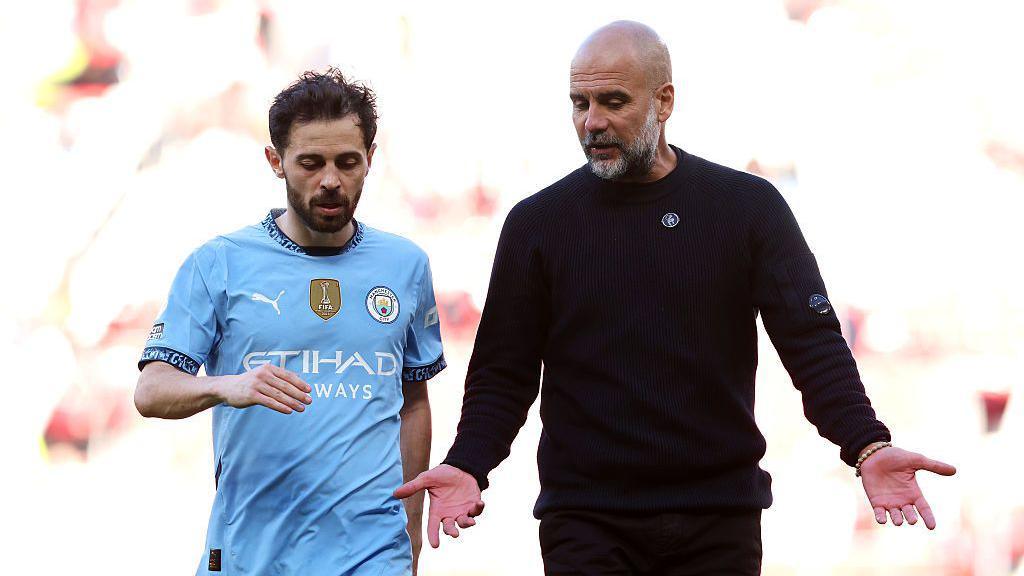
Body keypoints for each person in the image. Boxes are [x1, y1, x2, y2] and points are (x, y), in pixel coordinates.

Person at [394, 21, 955, 575]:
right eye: (579, 102)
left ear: (664, 102)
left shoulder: (746, 209)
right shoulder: (539, 224)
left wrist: (867, 446)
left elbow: (812, 345)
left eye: (613, 101)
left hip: (719, 521)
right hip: (587, 524)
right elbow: (502, 373)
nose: (593, 121)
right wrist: (470, 463)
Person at [134, 68, 445, 576]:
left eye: (347, 162)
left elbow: (413, 401)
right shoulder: (220, 262)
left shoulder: (405, 265)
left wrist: (409, 538)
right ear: (275, 162)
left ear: (370, 158)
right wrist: (227, 386)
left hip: (372, 552)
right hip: (254, 552)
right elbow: (150, 391)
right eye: (310, 163)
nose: (330, 180)